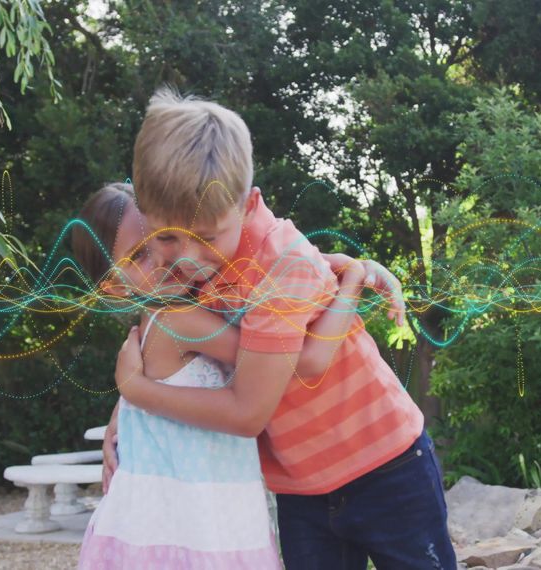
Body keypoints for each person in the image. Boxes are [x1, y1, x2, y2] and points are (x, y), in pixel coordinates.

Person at [110, 87, 457, 569]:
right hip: (302, 487)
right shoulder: (201, 265)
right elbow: (174, 353)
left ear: (249, 203)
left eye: (206, 238)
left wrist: (137, 390)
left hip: (383, 463)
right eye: (166, 237)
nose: (186, 259)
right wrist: (122, 417)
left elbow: (250, 411)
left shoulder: (280, 263)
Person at [71, 182, 376, 569]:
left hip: (172, 516)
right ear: (113, 288)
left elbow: (279, 275)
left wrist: (128, 399)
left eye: (164, 238)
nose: (163, 257)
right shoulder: (178, 319)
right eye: (140, 255)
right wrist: (353, 279)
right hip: (197, 521)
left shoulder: (192, 302)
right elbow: (298, 360)